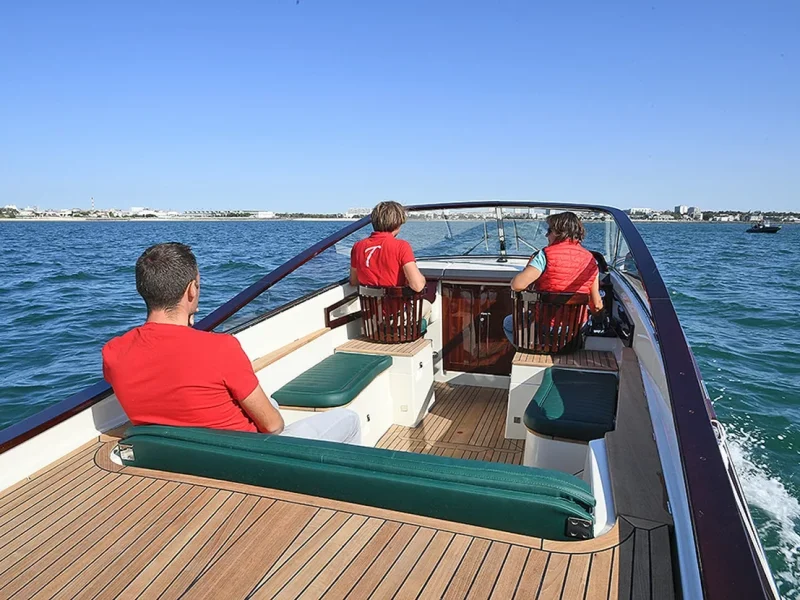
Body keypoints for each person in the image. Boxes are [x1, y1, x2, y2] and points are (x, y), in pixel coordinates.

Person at [102, 242, 360, 444]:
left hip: (178, 463)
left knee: (269, 402)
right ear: (191, 291)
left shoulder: (113, 353)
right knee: (349, 419)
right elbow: (273, 426)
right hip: (249, 460)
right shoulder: (221, 348)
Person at [503, 212, 604, 344]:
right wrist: (600, 319)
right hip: (576, 329)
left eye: (549, 231)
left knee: (508, 323)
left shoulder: (544, 255)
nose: (546, 235)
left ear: (558, 232)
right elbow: (596, 305)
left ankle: (531, 350)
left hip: (546, 327)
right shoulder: (591, 260)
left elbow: (516, 285)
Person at [349, 201, 433, 321]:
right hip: (395, 320)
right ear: (398, 223)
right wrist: (422, 278)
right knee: (428, 306)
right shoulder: (401, 246)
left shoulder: (357, 247)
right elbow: (418, 286)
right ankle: (414, 336)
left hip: (372, 321)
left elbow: (353, 281)